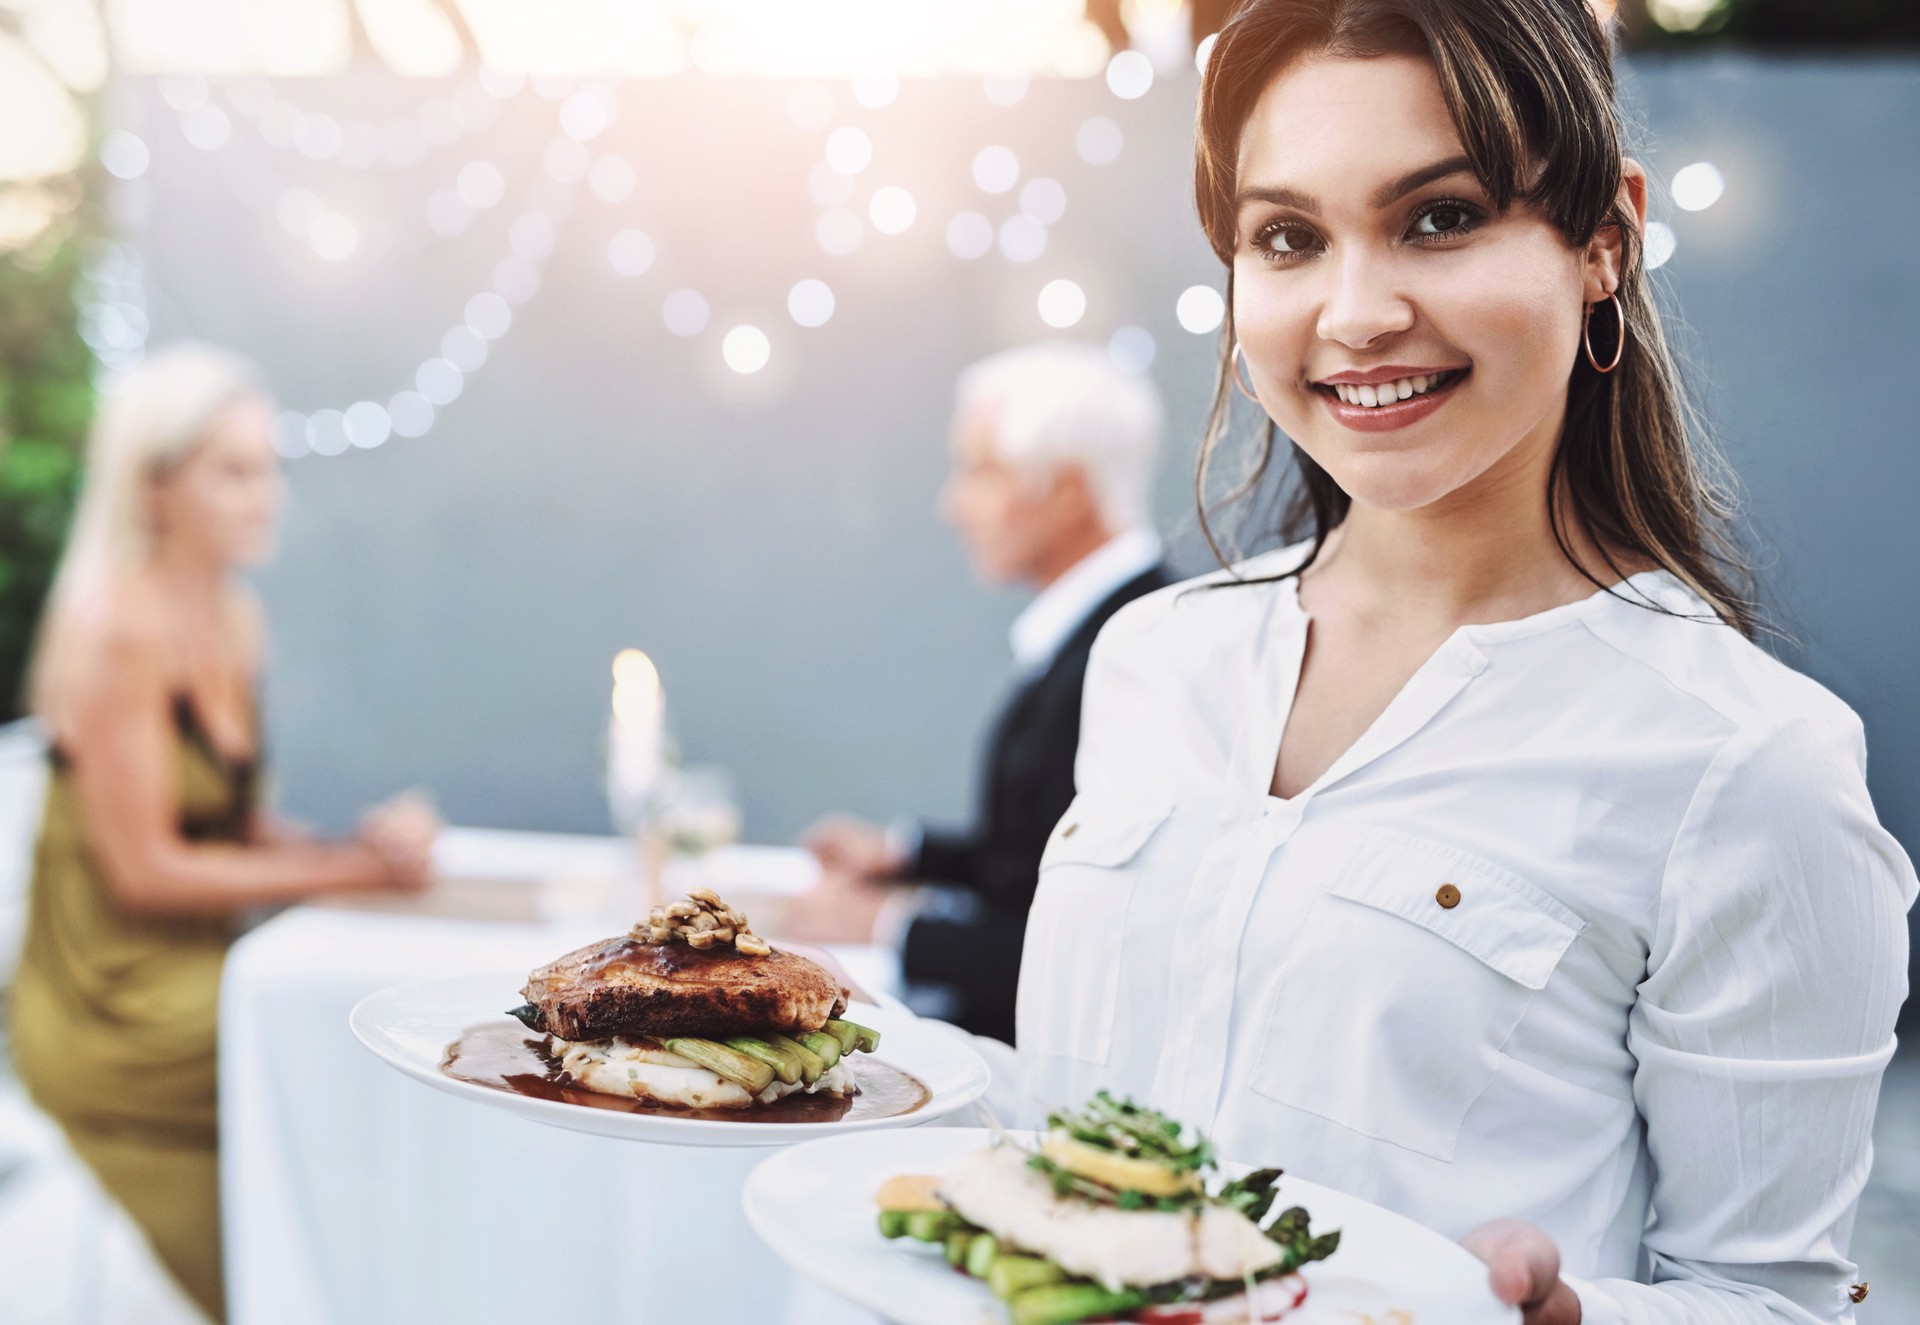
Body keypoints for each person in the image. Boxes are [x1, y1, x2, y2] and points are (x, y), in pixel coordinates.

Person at [1010, 3, 1916, 1323]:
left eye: (1438, 217)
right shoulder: (1154, 658)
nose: (1358, 312)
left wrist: (1575, 1318)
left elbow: (1772, 1300)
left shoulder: (1749, 765)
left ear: (1605, 239)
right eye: (1289, 237)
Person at [9, 344, 439, 1322]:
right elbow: (147, 870)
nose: (267, 496)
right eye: (235, 471)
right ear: (156, 488)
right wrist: (343, 875)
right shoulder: (116, 625)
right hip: (113, 999)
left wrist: (350, 848)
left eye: (269, 468)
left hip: (201, 963)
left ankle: (363, 1280)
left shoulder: (231, 615)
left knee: (357, 1039)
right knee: (351, 1037)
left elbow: (236, 828)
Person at [796, 343, 1171, 1043]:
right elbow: (1045, 858)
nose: (953, 504)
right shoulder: (1110, 631)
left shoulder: (1141, 655)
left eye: (980, 471)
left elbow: (1102, 941)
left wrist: (888, 925)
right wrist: (907, 855)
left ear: (1062, 490)